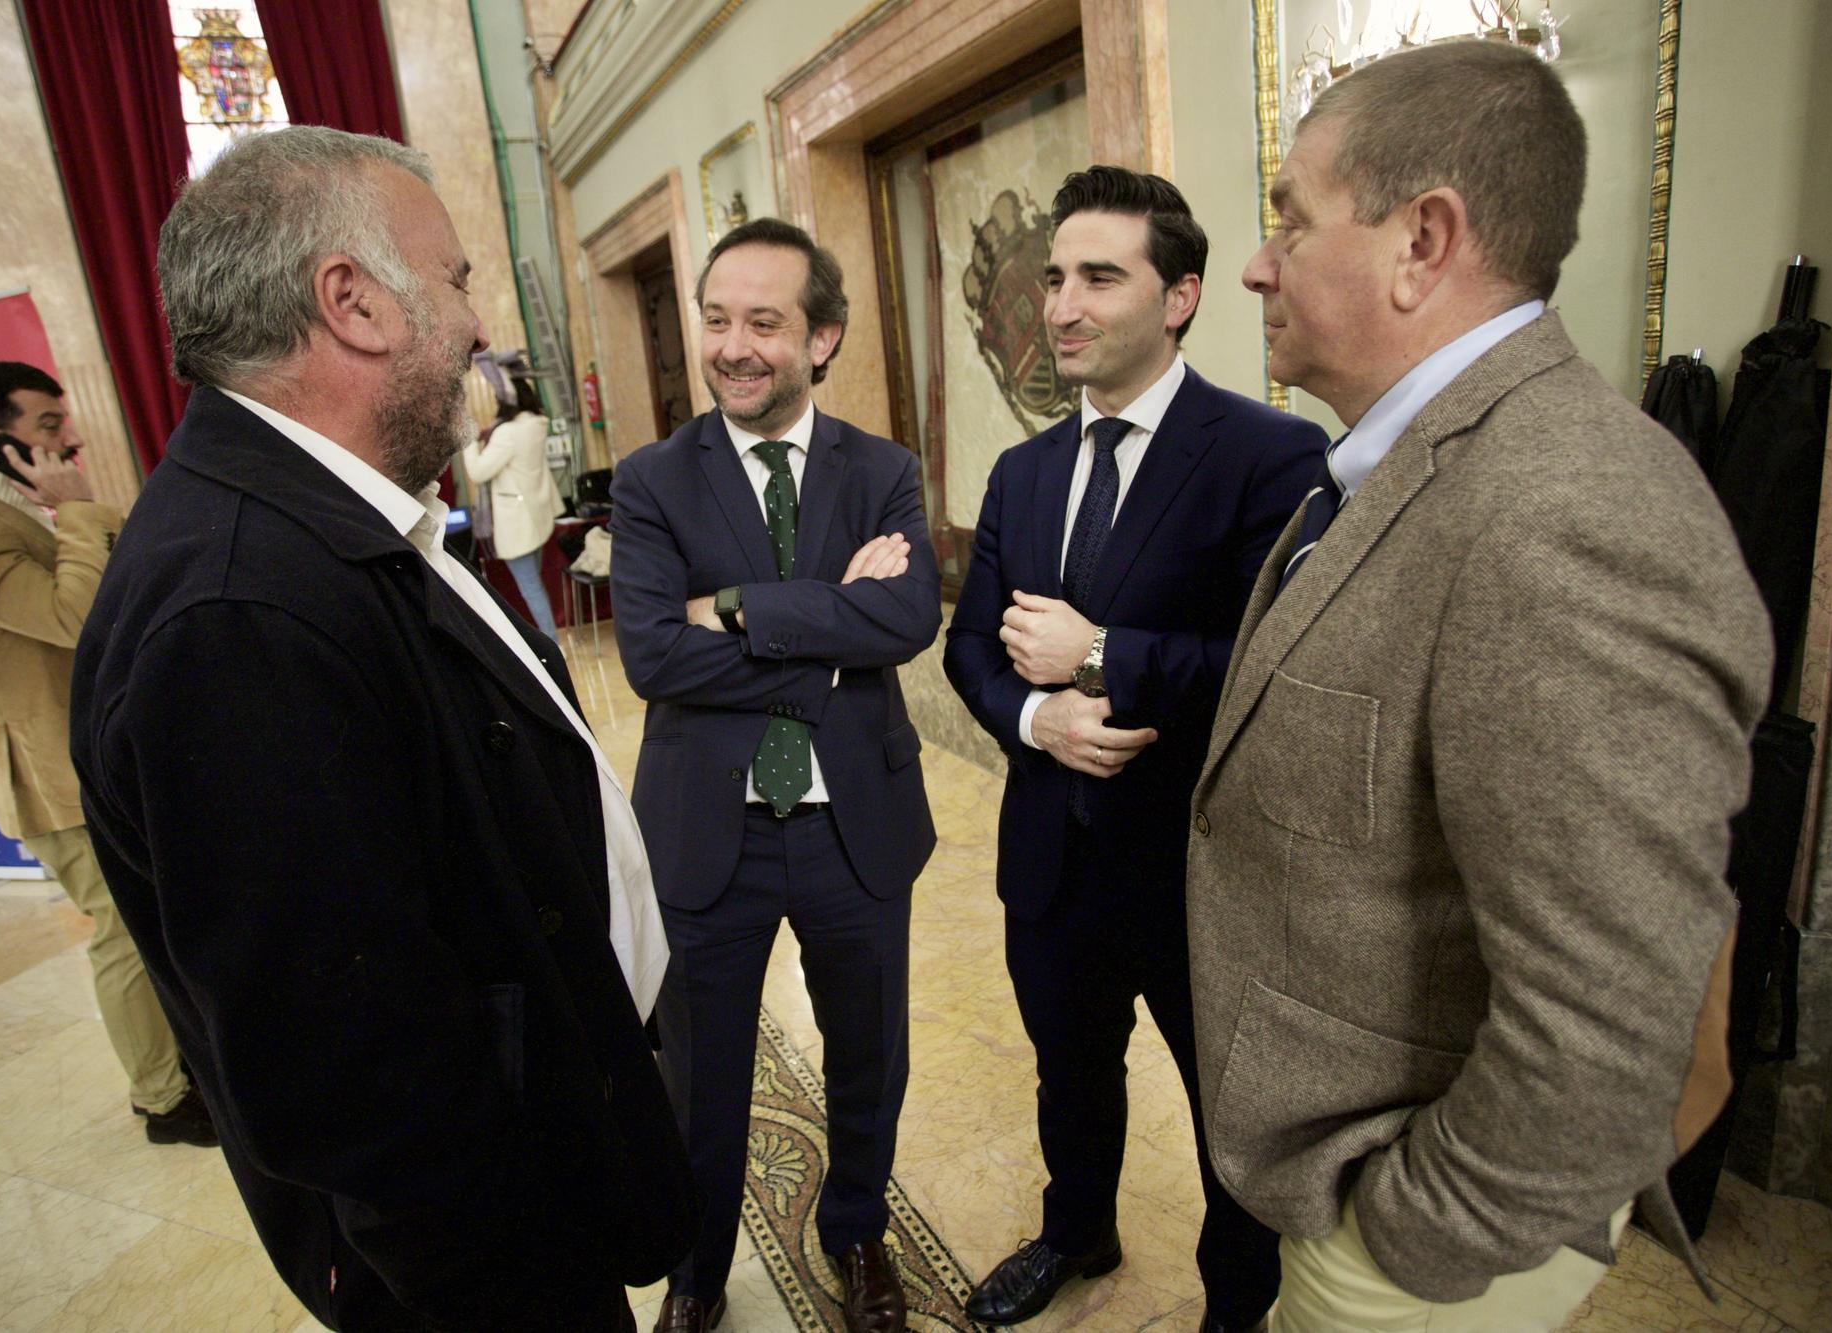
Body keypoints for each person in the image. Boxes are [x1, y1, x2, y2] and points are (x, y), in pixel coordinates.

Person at [68, 126, 695, 1332]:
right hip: (493, 1267)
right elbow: (356, 1079)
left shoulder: (324, 521)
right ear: (350, 301)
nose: (474, 326)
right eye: (456, 280)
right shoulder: (239, 612)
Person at [1189, 41, 1770, 1333]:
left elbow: (1615, 1024)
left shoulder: (1569, 509)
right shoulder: (1394, 466)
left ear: (1422, 240)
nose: (1256, 259)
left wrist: (1406, 1237)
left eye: (1291, 214)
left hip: (1413, 1249)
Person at [943, 167, 1323, 1331]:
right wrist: (1031, 717)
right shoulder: (1022, 470)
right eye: (1053, 275)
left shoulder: (1268, 454)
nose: (1059, 303)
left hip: (1199, 869)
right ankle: (1077, 1232)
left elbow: (1277, 668)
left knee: (1226, 1110)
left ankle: (1235, 1303)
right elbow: (971, 649)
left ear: (1180, 297)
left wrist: (1103, 656)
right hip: (1051, 857)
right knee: (1069, 1073)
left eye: (1097, 275)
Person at [611, 217, 941, 1333]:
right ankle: (699, 1272)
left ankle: (854, 1236)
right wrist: (827, 629)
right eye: (716, 319)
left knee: (867, 1056)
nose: (733, 346)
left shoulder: (884, 469)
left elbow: (904, 620)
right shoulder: (652, 479)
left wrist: (739, 608)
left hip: (857, 827)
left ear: (823, 337)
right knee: (698, 1079)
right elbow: (652, 651)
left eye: (764, 322)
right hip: (710, 831)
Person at [0, 360, 216, 1149]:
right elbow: (74, 613)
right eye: (45, 426)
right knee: (121, 929)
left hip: (98, 751)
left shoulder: (15, 507)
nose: (66, 438)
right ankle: (161, 1097)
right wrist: (79, 512)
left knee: (156, 919)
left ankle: (184, 1064)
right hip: (49, 774)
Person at [462, 373, 562, 641]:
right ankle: (552, 639)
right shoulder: (537, 423)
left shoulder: (507, 433)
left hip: (517, 522)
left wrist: (470, 441)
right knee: (536, 584)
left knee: (530, 587)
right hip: (537, 515)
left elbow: (478, 472)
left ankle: (552, 643)